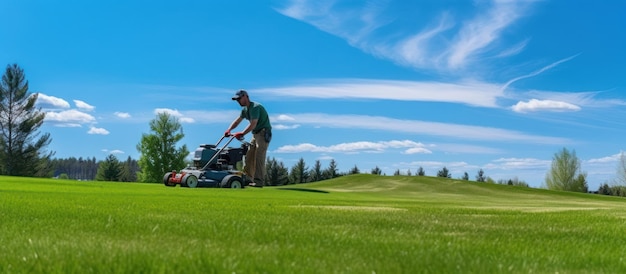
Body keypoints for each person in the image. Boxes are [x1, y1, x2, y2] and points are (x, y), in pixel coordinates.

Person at [225, 89, 272, 187]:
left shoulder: (255, 107)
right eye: (237, 100)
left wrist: (242, 133)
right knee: (249, 155)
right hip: (255, 134)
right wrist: (228, 130)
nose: (238, 102)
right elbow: (237, 121)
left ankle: (259, 182)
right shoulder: (245, 110)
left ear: (246, 97)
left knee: (259, 156)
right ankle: (248, 178)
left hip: (263, 133)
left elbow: (253, 124)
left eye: (239, 99)